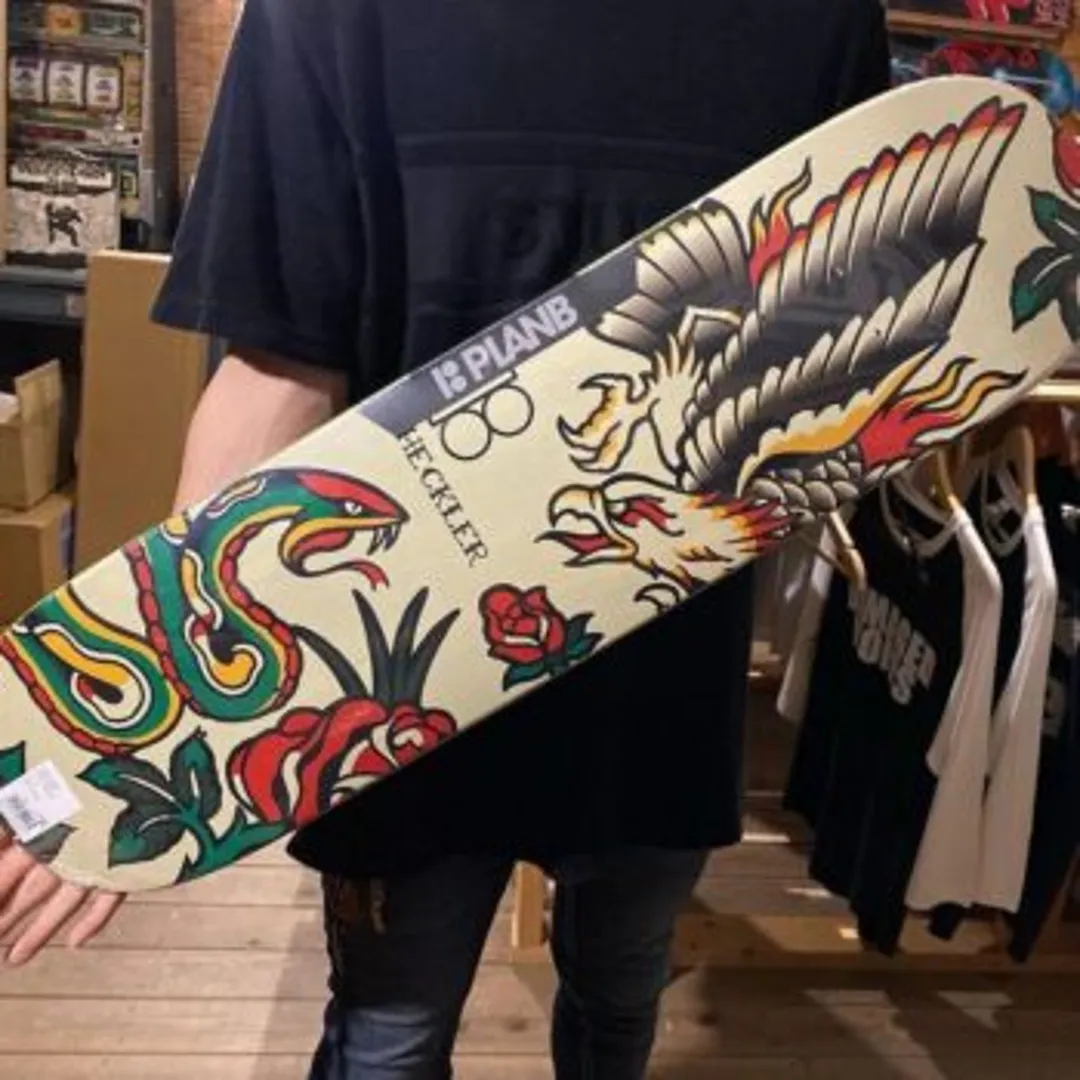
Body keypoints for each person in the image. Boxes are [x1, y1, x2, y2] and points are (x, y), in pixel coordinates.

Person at [0, 1, 891, 1075]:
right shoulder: (334, 14)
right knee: (392, 1035)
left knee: (617, 996)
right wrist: (149, 724)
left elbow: (846, 360)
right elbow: (281, 360)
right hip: (398, 682)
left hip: (662, 674)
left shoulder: (816, 21)